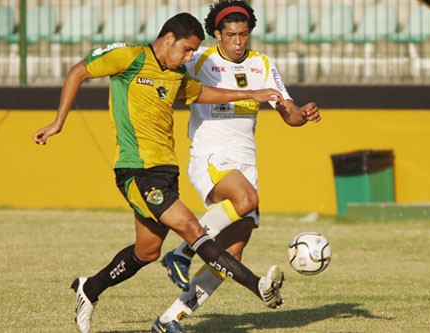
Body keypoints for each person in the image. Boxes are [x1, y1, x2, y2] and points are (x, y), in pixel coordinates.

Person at [32, 12, 285, 333]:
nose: (190, 57)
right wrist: (58, 122)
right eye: (187, 50)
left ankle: (89, 288)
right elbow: (78, 71)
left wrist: (251, 93)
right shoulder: (130, 58)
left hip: (167, 172)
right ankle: (257, 285)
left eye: (194, 51)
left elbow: (201, 94)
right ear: (169, 40)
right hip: (136, 170)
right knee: (192, 229)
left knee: (147, 251)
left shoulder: (176, 74)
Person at [155, 1, 321, 331]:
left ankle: (170, 318)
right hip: (211, 154)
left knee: (232, 253)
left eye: (243, 34)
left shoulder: (262, 64)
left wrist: (303, 114)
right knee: (246, 200)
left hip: (247, 162)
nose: (237, 41)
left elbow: (287, 110)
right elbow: (168, 85)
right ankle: (183, 252)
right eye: (230, 35)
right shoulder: (200, 61)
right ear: (217, 34)